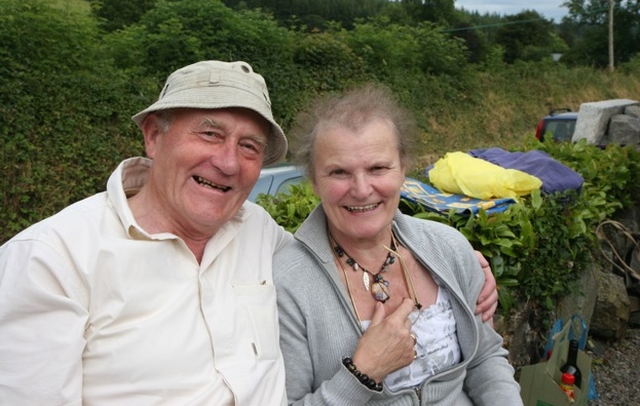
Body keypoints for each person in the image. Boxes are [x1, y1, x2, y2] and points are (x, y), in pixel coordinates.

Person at [0, 61, 497, 405]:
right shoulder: (51, 260)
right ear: (154, 135)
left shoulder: (258, 233)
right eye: (209, 133)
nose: (228, 162)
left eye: (250, 146)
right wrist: (362, 373)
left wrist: (460, 260)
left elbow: (350, 243)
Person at [273, 84, 522, 405]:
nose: (362, 190)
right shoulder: (287, 285)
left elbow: (484, 357)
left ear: (404, 169)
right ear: (313, 180)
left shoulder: (449, 248)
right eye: (339, 172)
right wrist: (361, 374)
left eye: (378, 168)